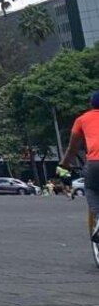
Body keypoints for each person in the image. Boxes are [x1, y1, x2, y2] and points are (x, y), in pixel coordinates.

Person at [59, 90, 99, 243]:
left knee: (91, 189)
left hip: (95, 162)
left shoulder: (82, 119)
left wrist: (64, 163)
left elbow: (72, 148)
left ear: (91, 104)